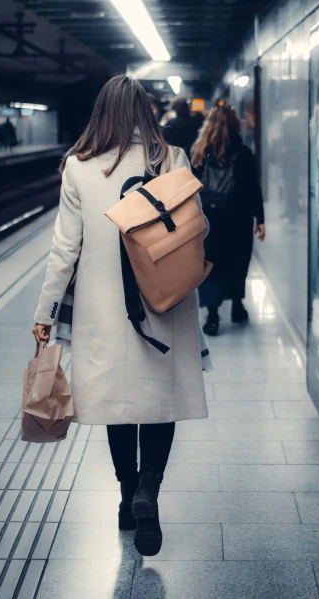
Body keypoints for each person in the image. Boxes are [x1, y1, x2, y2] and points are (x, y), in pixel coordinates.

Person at [32, 75, 209, 557]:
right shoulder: (171, 158)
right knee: (159, 403)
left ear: (101, 113)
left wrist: (46, 311)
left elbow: (64, 249)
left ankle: (127, 494)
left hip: (104, 310)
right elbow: (198, 228)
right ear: (146, 113)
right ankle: (149, 488)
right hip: (164, 304)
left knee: (118, 406)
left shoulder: (78, 166)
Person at [192, 104, 265, 336]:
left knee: (210, 264)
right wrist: (260, 219)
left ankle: (212, 316)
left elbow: (190, 187)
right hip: (239, 218)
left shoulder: (199, 152)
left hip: (209, 219)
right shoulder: (242, 151)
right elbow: (253, 188)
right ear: (235, 124)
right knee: (237, 262)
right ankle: (236, 308)